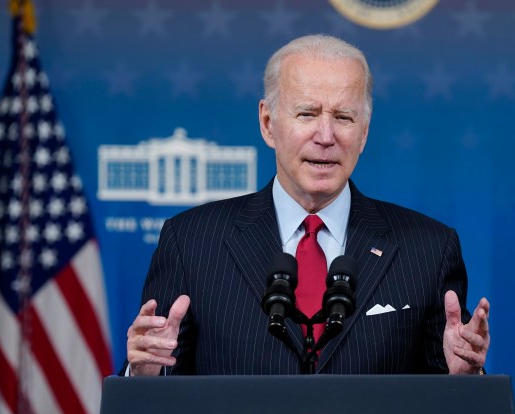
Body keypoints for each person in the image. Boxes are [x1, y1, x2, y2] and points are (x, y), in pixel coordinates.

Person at [125, 34, 489, 376]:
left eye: (344, 117)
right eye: (307, 114)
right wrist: (144, 374)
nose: (326, 136)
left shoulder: (427, 249)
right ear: (268, 123)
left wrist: (464, 379)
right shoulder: (191, 242)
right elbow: (158, 402)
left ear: (363, 133)